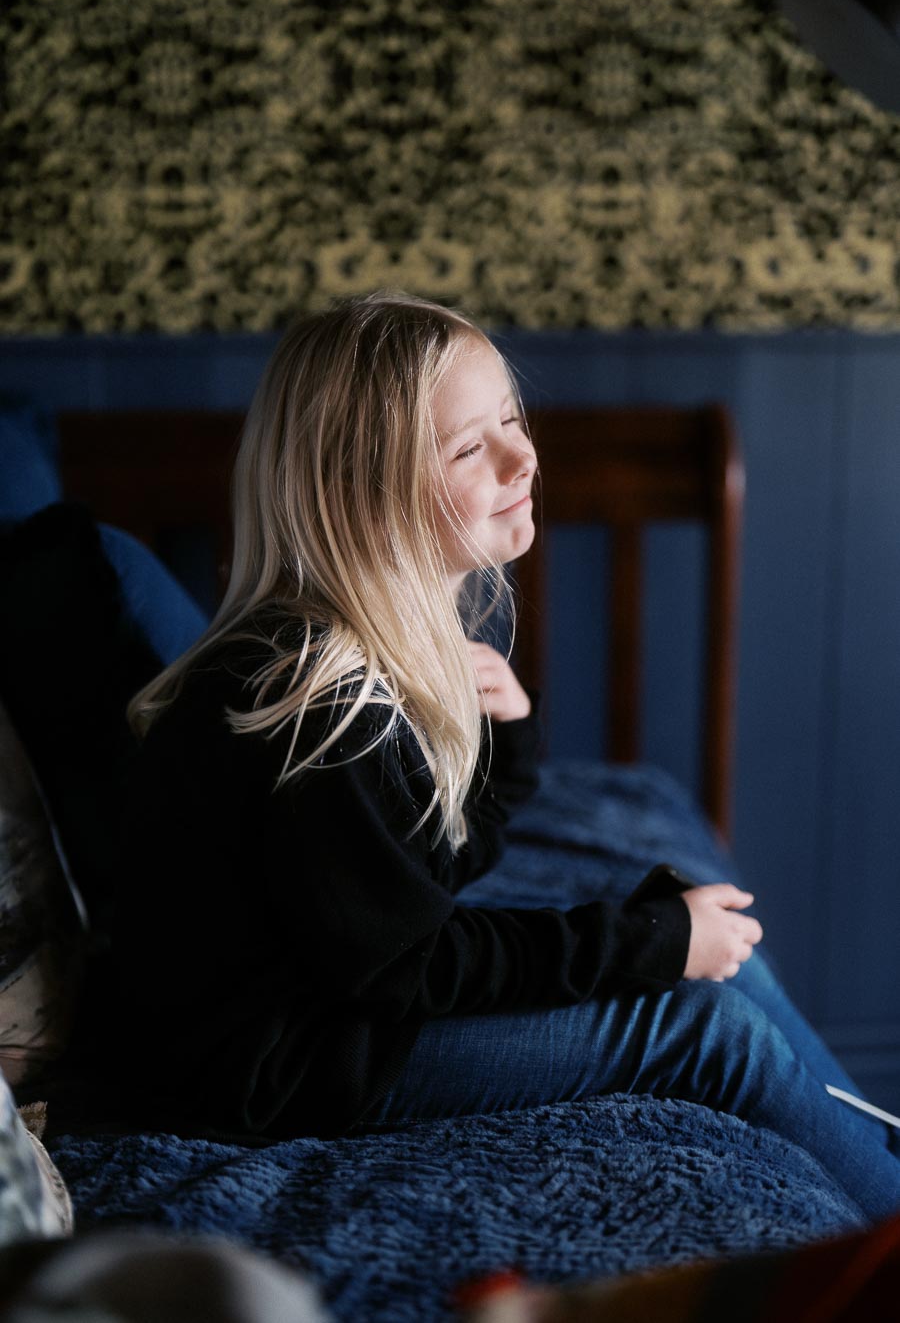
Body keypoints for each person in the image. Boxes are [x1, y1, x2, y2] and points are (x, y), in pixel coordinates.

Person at [116, 291, 900, 1221]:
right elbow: (409, 962)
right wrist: (649, 939)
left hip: (349, 1007)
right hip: (287, 1065)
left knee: (730, 962)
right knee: (695, 1016)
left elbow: (428, 873)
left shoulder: (363, 661)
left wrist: (507, 739)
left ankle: (880, 1149)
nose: (525, 456)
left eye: (512, 420)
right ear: (365, 497)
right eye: (468, 448)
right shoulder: (308, 704)